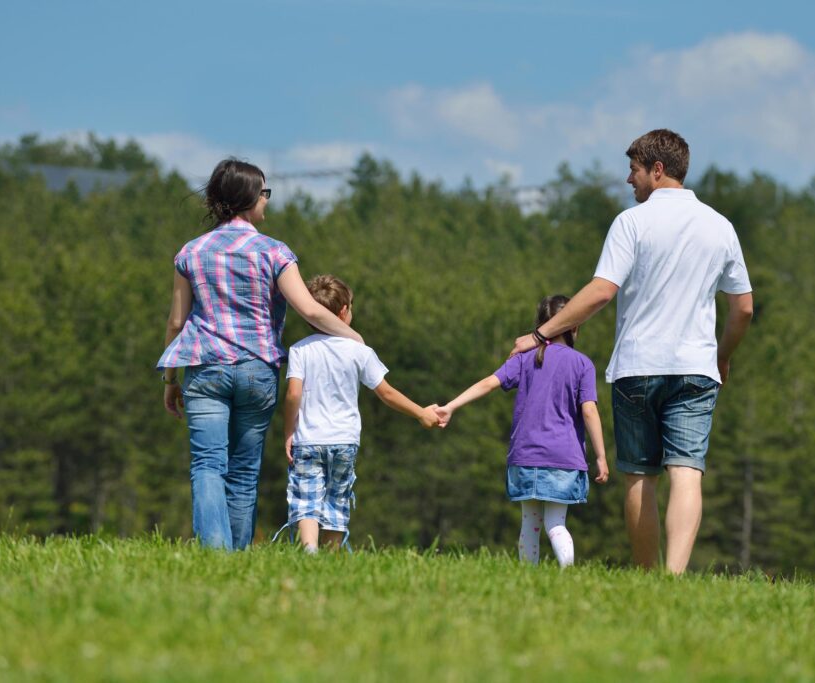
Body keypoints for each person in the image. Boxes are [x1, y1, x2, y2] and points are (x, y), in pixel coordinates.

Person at [510, 129, 754, 574]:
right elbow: (743, 308)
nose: (629, 180)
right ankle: (673, 578)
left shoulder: (631, 223)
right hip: (696, 369)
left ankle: (645, 576)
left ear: (657, 171)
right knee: (687, 473)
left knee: (641, 475)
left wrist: (541, 335)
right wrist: (722, 356)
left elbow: (601, 292)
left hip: (638, 367)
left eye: (634, 170)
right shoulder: (721, 226)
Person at [158, 158, 364, 551]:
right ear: (250, 198)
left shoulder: (192, 252)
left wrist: (170, 378)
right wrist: (355, 338)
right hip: (257, 372)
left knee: (207, 465)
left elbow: (175, 322)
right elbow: (311, 310)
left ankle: (214, 554)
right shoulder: (274, 252)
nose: (267, 201)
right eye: (265, 193)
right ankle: (237, 555)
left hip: (205, 369)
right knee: (243, 470)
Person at [436, 295, 609, 567]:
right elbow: (589, 410)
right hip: (563, 458)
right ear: (574, 327)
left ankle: (528, 576)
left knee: (530, 523)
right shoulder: (582, 364)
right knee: (556, 523)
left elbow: (487, 384)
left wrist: (451, 406)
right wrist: (600, 456)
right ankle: (569, 576)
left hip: (525, 455)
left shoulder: (525, 359)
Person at [280, 274, 440, 552]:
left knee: (307, 497)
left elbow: (293, 394)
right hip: (344, 440)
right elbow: (387, 393)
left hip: (308, 438)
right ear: (344, 313)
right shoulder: (359, 350)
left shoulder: (300, 350)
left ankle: (309, 549)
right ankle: (331, 554)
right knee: (336, 498)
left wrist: (288, 431)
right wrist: (420, 413)